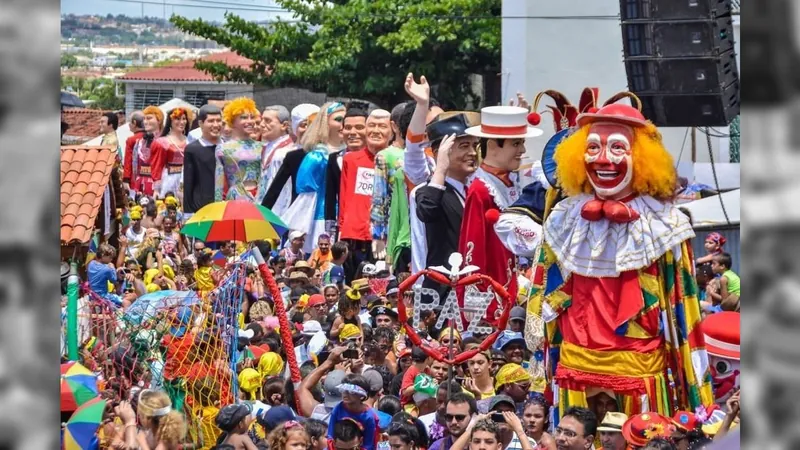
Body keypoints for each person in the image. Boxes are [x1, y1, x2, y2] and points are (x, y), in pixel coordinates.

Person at [518, 94, 714, 417]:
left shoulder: (665, 226)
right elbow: (544, 291)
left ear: (642, 157)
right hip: (574, 369)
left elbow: (684, 312)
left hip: (640, 374)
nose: (603, 159)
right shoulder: (563, 219)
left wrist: (695, 394)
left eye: (617, 148)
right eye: (593, 148)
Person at [458, 103, 542, 321]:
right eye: (516, 143)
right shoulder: (480, 189)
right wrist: (479, 307)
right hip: (490, 301)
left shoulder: (507, 183)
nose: (522, 151)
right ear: (494, 145)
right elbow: (472, 250)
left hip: (508, 291)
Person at [414, 113, 478, 303]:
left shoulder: (475, 191)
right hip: (441, 296)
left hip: (473, 292)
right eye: (464, 146)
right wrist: (440, 169)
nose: (473, 153)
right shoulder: (429, 191)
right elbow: (427, 210)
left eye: (475, 146)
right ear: (439, 152)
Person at [270, 102, 347, 253]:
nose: (343, 125)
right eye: (338, 120)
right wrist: (299, 227)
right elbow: (306, 196)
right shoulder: (317, 156)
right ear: (325, 123)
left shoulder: (350, 154)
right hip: (321, 217)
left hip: (348, 217)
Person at [339, 109, 393, 282]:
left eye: (382, 126)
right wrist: (341, 231)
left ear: (392, 130)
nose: (375, 130)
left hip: (384, 236)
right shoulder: (351, 159)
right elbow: (344, 197)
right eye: (371, 125)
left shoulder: (396, 159)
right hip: (353, 234)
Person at [370, 102, 411, 272]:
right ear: (394, 126)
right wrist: (378, 234)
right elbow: (379, 195)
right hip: (394, 224)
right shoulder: (385, 156)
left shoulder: (425, 154)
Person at [326, 102, 368, 239]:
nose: (353, 133)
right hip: (343, 225)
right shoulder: (335, 159)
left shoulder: (378, 159)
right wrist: (330, 232)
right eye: (348, 128)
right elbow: (330, 197)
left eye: (359, 127)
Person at [215, 97, 268, 203]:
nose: (250, 121)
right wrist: (217, 206)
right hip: (236, 199)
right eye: (244, 118)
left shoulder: (262, 147)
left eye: (252, 117)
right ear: (232, 121)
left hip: (261, 198)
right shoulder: (223, 149)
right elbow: (218, 186)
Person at [184, 104, 223, 215]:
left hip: (225, 206)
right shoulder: (193, 149)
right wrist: (188, 213)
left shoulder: (228, 147)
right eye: (211, 121)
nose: (216, 125)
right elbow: (188, 183)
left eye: (218, 120)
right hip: (202, 208)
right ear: (201, 124)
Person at [327, 374, 380, 450]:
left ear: (361, 395)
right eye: (343, 390)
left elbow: (368, 444)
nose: (345, 394)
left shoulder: (368, 416)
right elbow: (330, 435)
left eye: (350, 392)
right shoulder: (338, 408)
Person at [260, 105, 295, 215]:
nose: (261, 124)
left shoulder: (289, 150)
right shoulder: (266, 146)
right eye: (262, 119)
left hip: (280, 210)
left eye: (267, 121)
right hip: (264, 206)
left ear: (284, 125)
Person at [151, 107, 191, 199]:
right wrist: (156, 189)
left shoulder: (191, 140)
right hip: (169, 179)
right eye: (177, 119)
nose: (182, 122)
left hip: (187, 179)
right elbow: (157, 166)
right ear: (170, 121)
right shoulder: (162, 142)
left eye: (184, 119)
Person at [131, 106, 165, 196]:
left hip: (160, 186)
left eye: (149, 118)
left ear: (159, 120)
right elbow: (135, 167)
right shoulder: (139, 142)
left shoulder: (166, 142)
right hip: (140, 185)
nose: (145, 122)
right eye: (144, 119)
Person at [123, 110, 146, 192]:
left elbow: (128, 161)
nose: (129, 124)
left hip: (135, 179)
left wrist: (126, 179)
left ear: (134, 123)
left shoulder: (131, 140)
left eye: (130, 122)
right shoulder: (152, 138)